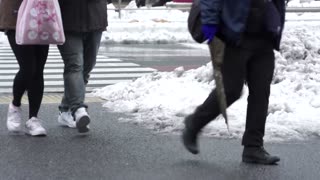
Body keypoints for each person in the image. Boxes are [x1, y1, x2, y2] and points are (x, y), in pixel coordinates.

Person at [182, 0, 286, 165]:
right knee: (231, 90)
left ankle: (253, 147)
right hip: (234, 37)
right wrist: (209, 21)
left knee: (261, 92)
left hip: (264, 36)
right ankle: (194, 123)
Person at [56, 0, 108, 133]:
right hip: (67, 19)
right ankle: (78, 109)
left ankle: (65, 109)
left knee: (87, 67)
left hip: (95, 17)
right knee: (75, 65)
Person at [0, 0, 48, 136]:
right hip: (16, 18)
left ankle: (33, 119)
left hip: (41, 16)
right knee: (28, 67)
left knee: (38, 69)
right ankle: (15, 105)